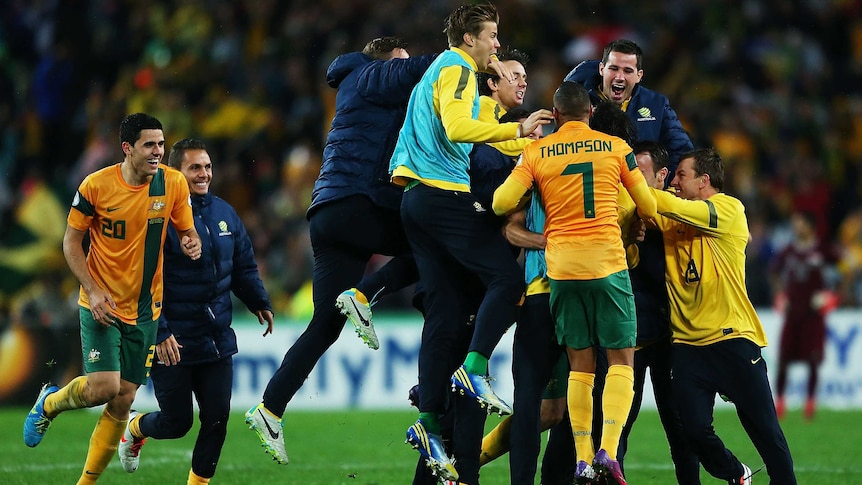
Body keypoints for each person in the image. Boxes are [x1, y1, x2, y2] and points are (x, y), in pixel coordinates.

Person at [244, 36, 436, 465]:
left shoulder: (353, 82)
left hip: (328, 212)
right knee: (433, 243)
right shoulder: (374, 74)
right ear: (386, 59)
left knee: (325, 324)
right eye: (397, 62)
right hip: (361, 203)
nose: (400, 69)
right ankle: (367, 295)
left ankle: (270, 407)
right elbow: (420, 68)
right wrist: (474, 57)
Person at [389, 2, 552, 480]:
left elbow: (477, 137)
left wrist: (526, 141)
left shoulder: (440, 76)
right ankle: (475, 368)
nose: (496, 45)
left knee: (442, 314)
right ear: (468, 40)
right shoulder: (459, 68)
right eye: (492, 37)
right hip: (442, 195)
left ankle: (427, 422)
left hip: (415, 200)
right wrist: (518, 128)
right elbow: (462, 129)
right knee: (506, 278)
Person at [23, 113, 202, 485]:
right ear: (127, 148)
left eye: (162, 144)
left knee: (122, 400)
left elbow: (187, 230)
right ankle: (49, 403)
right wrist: (92, 289)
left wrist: (191, 241)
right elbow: (71, 243)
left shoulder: (173, 185)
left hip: (145, 309)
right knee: (103, 388)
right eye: (150, 145)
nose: (158, 152)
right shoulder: (96, 186)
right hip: (100, 303)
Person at [493, 81, 657, 485]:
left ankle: (583, 458)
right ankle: (608, 449)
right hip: (607, 264)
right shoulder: (616, 149)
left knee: (579, 368)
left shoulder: (535, 152)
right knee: (621, 361)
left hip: (561, 271)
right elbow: (649, 206)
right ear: (588, 112)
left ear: (556, 114)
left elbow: (499, 203)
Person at [114, 138, 274, 484]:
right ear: (175, 172)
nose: (204, 174)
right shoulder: (156, 217)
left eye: (208, 166)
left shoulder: (225, 213)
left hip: (215, 339)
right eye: (195, 168)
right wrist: (161, 332)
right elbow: (141, 283)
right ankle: (136, 426)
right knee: (177, 423)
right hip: (173, 339)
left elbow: (243, 264)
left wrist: (258, 300)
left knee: (217, 419)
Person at [648, 148, 797, 485]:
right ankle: (735, 473)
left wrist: (643, 184)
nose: (674, 180)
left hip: (732, 340)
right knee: (692, 430)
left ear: (704, 181)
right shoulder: (676, 215)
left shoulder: (729, 209)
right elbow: (644, 208)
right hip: (688, 347)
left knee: (766, 433)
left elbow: (660, 204)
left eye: (681, 175)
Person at [616, 140, 701, 484]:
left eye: (638, 171)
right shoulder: (620, 213)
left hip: (670, 338)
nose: (629, 178)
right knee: (617, 424)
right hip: (628, 338)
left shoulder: (679, 215)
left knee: (679, 426)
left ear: (663, 176)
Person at [564, 38, 693, 182]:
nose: (619, 77)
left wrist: (664, 187)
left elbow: (682, 152)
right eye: (614, 69)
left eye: (627, 71)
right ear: (602, 69)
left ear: (639, 76)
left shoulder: (656, 104)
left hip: (643, 198)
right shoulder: (578, 104)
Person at [770, 210, 837, 421]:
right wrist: (780, 294)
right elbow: (773, 273)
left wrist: (832, 296)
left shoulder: (823, 250)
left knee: (813, 359)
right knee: (783, 358)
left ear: (809, 226)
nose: (796, 227)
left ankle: (810, 403)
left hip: (814, 315)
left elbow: (847, 268)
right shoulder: (788, 251)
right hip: (793, 313)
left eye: (799, 223)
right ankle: (780, 402)